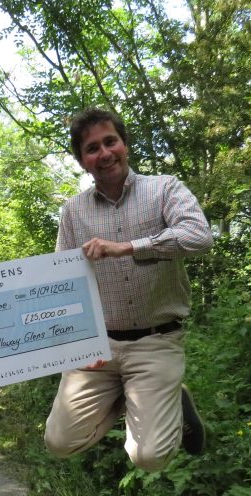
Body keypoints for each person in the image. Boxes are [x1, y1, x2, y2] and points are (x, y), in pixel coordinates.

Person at [44, 108, 213, 472]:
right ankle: (139, 399)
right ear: (82, 162)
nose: (104, 154)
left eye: (110, 142)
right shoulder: (73, 212)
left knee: (148, 458)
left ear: (125, 144)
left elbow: (199, 237)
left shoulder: (164, 188)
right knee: (59, 443)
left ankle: (170, 402)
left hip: (156, 341)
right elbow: (64, 284)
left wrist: (131, 247)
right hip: (98, 349)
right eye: (92, 149)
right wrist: (73, 344)